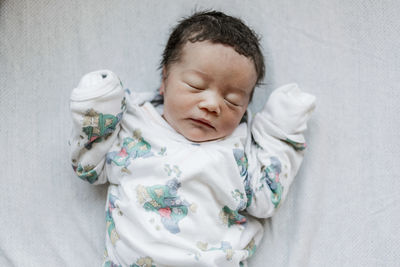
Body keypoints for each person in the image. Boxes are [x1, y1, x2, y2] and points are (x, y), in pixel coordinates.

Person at [69, 10, 316, 267]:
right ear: (165, 80)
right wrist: (97, 107)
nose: (211, 104)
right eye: (196, 86)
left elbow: (265, 199)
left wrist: (278, 132)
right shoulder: (135, 123)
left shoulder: (238, 147)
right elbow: (89, 168)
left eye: (232, 101)